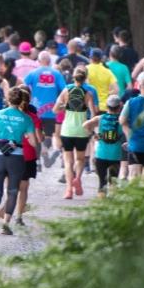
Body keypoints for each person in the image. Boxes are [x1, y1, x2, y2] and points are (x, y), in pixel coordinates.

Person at [0, 86, 39, 235]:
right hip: (17, 157)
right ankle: (5, 225)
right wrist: (25, 136)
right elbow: (33, 142)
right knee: (13, 191)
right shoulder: (26, 118)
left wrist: (0, 140)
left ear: (7, 99)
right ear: (21, 101)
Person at [53, 66, 96, 198]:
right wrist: (91, 129)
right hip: (82, 130)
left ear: (74, 77)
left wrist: (64, 106)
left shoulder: (66, 91)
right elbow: (93, 114)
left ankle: (68, 190)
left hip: (67, 130)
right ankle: (77, 178)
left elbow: (55, 110)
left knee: (68, 161)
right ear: (85, 78)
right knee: (80, 159)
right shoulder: (88, 93)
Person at [23, 51, 66, 166]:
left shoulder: (33, 73)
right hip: (51, 110)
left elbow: (23, 86)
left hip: (36, 110)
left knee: (36, 134)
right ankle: (46, 149)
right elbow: (65, 90)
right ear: (50, 61)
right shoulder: (57, 74)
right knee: (49, 135)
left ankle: (37, 162)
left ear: (39, 61)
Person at [83, 94, 124, 197]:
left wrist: (94, 134)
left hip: (101, 155)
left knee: (102, 183)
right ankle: (112, 206)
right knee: (113, 181)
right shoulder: (122, 119)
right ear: (119, 107)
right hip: (116, 155)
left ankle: (101, 204)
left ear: (107, 106)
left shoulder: (100, 118)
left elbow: (85, 125)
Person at [13, 86, 41, 227]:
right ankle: (19, 216)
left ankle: (7, 211)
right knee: (23, 188)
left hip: (10, 154)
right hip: (28, 155)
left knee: (12, 187)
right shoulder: (33, 116)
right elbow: (38, 140)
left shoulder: (6, 114)